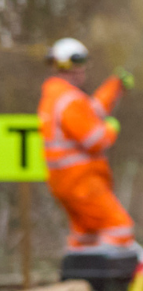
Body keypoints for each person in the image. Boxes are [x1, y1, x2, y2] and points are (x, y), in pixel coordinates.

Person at [37, 39, 136, 253]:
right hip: (82, 182)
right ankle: (103, 272)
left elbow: (93, 110)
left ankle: (78, 272)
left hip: (64, 183)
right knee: (119, 229)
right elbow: (94, 139)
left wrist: (115, 86)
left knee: (85, 237)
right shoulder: (69, 100)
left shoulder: (55, 97)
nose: (84, 70)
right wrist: (110, 128)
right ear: (71, 66)